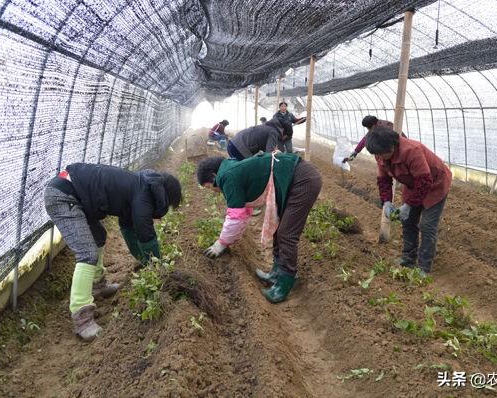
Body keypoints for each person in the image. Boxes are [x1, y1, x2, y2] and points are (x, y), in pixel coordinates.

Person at [44, 163, 182, 341]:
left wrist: (146, 261)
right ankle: (82, 318)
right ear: (165, 197)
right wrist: (158, 267)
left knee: (98, 236)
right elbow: (145, 234)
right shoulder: (143, 196)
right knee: (87, 253)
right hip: (64, 196)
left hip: (76, 194)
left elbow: (129, 231)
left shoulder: (139, 187)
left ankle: (97, 285)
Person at [196, 152, 322, 303]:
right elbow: (244, 212)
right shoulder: (230, 170)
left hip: (303, 180)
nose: (214, 191)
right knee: (278, 228)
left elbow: (236, 217)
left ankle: (285, 283)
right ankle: (277, 273)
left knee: (286, 234)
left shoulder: (227, 176)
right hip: (294, 178)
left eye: (210, 187)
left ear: (213, 175)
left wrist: (221, 244)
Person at [365, 127, 451, 274]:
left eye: (383, 153)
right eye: (377, 154)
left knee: (427, 225)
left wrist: (409, 205)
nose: (380, 157)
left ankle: (424, 267)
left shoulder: (412, 151)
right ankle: (408, 258)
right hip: (413, 183)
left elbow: (425, 181)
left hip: (436, 183)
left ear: (393, 145)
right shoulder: (381, 154)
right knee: (408, 220)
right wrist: (386, 201)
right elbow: (384, 180)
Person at [227, 117, 292, 160]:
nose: (283, 138)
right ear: (282, 129)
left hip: (232, 143)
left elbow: (264, 147)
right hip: (240, 149)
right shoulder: (273, 132)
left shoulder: (265, 127)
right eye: (285, 136)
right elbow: (269, 154)